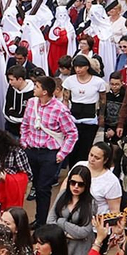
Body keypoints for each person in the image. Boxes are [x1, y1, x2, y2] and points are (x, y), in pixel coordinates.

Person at [20, 75, 78, 227]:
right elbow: (25, 124)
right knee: (34, 186)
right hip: (31, 151)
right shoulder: (31, 103)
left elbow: (72, 134)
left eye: (36, 86)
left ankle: (42, 223)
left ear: (45, 91)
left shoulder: (60, 109)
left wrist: (61, 154)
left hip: (49, 154)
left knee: (43, 188)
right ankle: (39, 219)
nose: (33, 88)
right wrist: (24, 142)